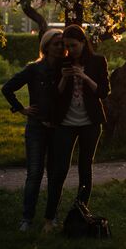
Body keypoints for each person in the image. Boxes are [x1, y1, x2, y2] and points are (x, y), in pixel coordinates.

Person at [44, 24, 110, 232]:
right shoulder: (61, 63)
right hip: (65, 123)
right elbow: (54, 95)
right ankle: (50, 217)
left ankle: (80, 214)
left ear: (83, 42)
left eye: (73, 45)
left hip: (90, 123)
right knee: (59, 169)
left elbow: (103, 92)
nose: (69, 50)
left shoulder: (98, 61)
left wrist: (84, 77)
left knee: (85, 168)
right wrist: (64, 78)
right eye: (66, 46)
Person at [1, 29, 65, 231]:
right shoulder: (34, 69)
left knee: (55, 174)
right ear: (46, 46)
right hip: (36, 128)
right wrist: (21, 109)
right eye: (56, 43)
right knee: (34, 173)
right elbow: (7, 88)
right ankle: (26, 219)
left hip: (58, 128)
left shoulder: (66, 68)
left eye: (62, 44)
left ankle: (51, 217)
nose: (60, 47)